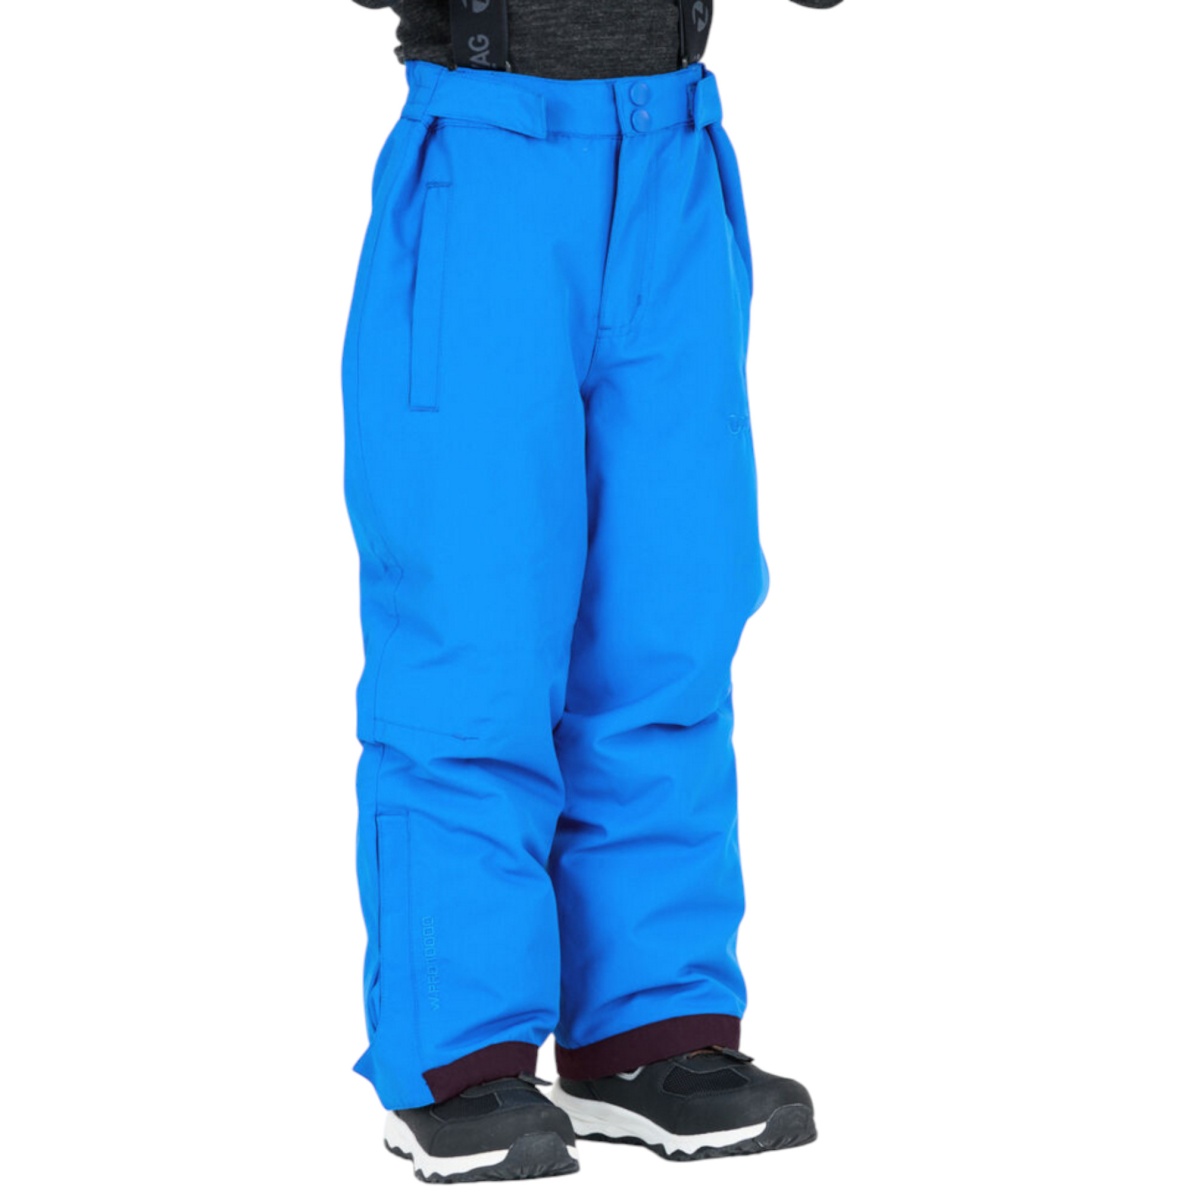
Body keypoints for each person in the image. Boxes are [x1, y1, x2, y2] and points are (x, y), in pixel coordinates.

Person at [340, 0, 842, 1184]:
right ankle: (458, 1053)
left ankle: (646, 1032)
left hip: (675, 155)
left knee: (671, 621)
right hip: (488, 154)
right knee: (474, 634)